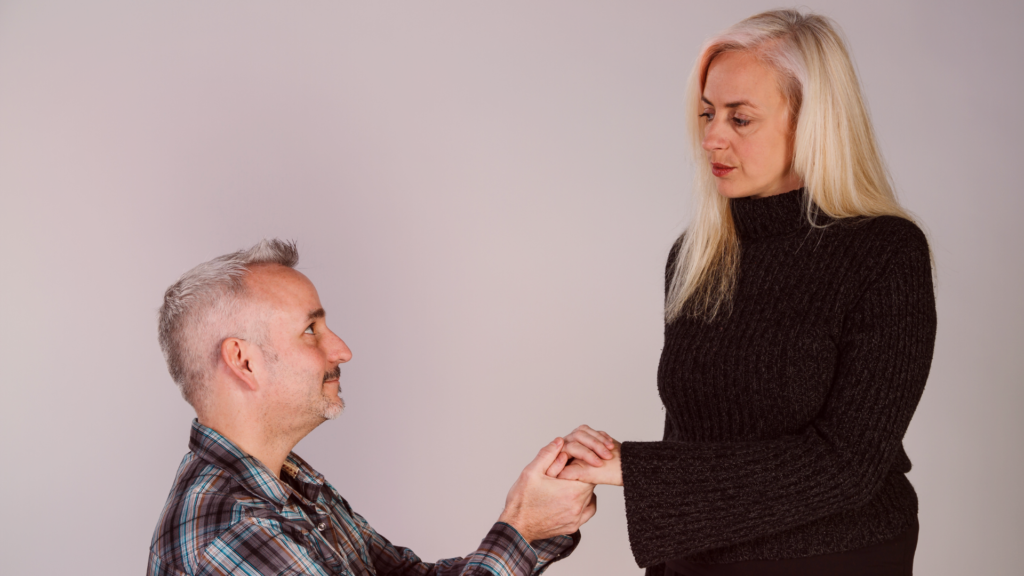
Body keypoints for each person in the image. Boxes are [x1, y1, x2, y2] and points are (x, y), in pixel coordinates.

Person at [549, 9, 937, 576]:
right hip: (700, 557)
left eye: (740, 118)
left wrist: (635, 471)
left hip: (837, 557)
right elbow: (687, 432)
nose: (710, 137)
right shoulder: (697, 256)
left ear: (812, 121)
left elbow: (848, 464)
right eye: (707, 113)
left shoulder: (884, 253)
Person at [147, 239, 597, 576]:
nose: (342, 350)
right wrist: (518, 525)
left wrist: (536, 527)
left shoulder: (291, 486)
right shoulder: (233, 531)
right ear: (244, 361)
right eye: (310, 330)